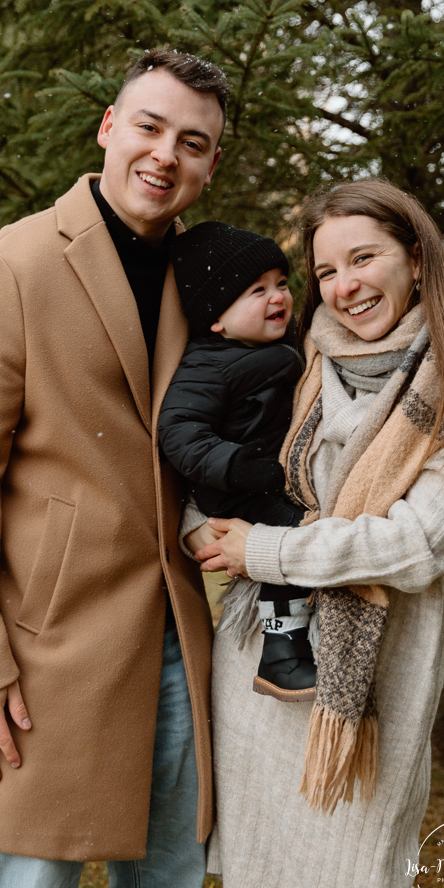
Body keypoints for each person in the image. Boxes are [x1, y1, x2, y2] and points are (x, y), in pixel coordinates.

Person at [0, 48, 227, 888]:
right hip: (42, 654)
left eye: (193, 142)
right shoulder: (13, 266)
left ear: (210, 166)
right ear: (108, 126)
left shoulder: (203, 278)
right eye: (150, 126)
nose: (166, 155)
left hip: (176, 639)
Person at [186, 180, 444, 888]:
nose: (344, 287)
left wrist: (264, 550)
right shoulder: (302, 360)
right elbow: (223, 468)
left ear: (414, 255)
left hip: (367, 699)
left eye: (363, 257)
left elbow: (418, 543)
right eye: (327, 270)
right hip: (266, 676)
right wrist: (205, 536)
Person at [158, 221, 316, 701]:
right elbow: (180, 434)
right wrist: (239, 466)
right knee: (288, 534)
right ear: (216, 319)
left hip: (260, 477)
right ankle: (281, 652)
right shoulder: (206, 367)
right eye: (256, 291)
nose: (277, 298)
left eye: (281, 285)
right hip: (235, 490)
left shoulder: (276, 349)